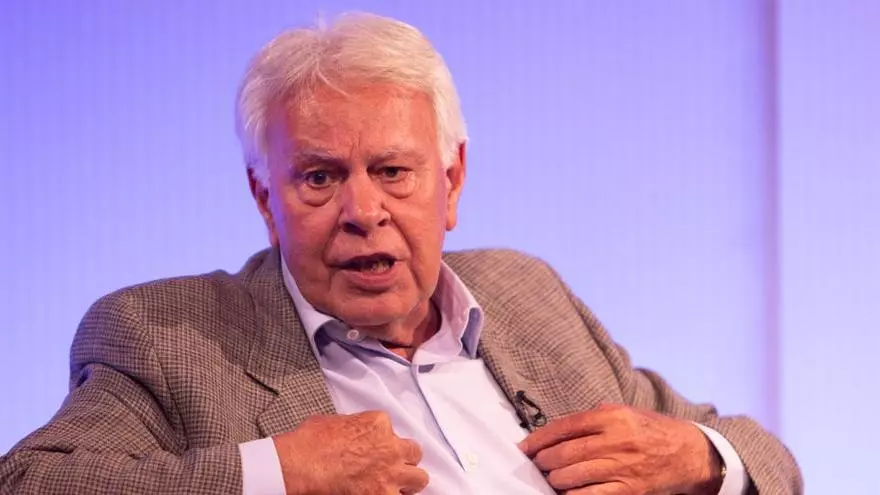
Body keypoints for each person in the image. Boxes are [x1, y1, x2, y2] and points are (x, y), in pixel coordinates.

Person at [0, 12, 801, 495]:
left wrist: (698, 457)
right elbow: (35, 482)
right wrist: (278, 475)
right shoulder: (168, 335)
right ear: (265, 199)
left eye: (392, 171)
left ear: (451, 181)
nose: (362, 212)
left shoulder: (527, 294)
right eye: (319, 177)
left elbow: (771, 461)